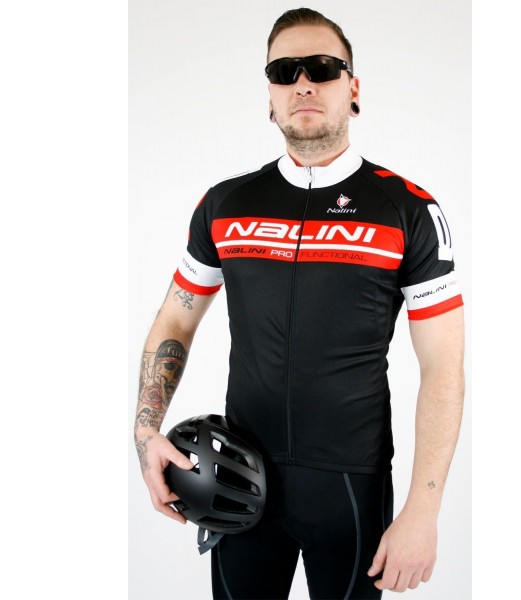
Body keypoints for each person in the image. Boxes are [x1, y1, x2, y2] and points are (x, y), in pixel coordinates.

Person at [134, 7, 465, 598]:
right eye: (284, 71)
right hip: (235, 480)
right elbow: (176, 320)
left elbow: (444, 367)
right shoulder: (225, 205)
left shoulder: (408, 210)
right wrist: (145, 434)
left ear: (353, 89)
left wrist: (423, 512)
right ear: (269, 96)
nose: (303, 83)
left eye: (323, 68)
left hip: (351, 487)